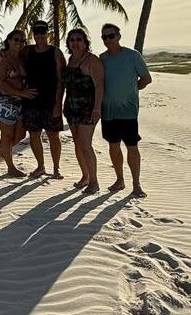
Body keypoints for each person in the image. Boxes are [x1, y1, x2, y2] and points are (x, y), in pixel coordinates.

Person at [99, 23, 152, 197]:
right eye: (104, 37)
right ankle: (119, 179)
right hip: (108, 111)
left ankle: (136, 184)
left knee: (132, 147)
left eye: (111, 36)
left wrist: (132, 89)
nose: (108, 40)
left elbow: (146, 78)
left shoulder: (132, 55)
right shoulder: (102, 59)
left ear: (119, 36)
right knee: (113, 146)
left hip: (128, 112)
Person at [22, 20, 66, 179]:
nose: (40, 34)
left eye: (43, 31)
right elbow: (11, 57)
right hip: (31, 101)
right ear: (33, 33)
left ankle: (56, 168)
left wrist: (58, 103)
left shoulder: (55, 52)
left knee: (53, 135)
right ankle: (40, 166)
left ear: (47, 33)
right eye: (37, 31)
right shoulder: (27, 51)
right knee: (34, 135)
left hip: (50, 101)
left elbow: (61, 80)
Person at [62, 28, 104, 194]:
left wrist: (97, 109)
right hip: (71, 107)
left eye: (79, 39)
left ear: (86, 42)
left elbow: (100, 86)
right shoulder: (71, 60)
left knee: (85, 144)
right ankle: (85, 176)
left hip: (88, 108)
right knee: (78, 143)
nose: (75, 43)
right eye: (72, 40)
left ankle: (94, 181)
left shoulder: (92, 61)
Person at [0, 30, 36, 177]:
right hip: (4, 101)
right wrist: (22, 93)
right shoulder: (3, 58)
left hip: (19, 101)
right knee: (7, 135)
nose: (19, 42)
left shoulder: (23, 57)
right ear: (9, 40)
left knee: (21, 134)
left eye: (23, 40)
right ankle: (10, 167)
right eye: (16, 39)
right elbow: (0, 82)